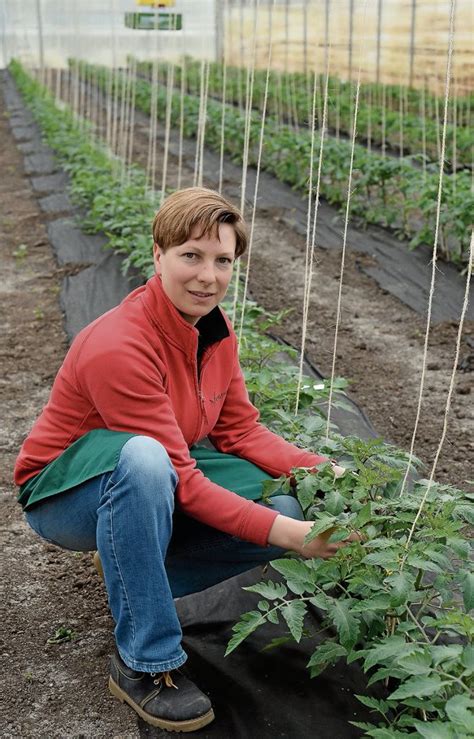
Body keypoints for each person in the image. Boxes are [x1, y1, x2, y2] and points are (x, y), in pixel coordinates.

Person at [14, 187, 352, 733]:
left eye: (222, 261)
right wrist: (293, 537)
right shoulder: (119, 345)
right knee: (147, 459)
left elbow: (240, 429)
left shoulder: (213, 331)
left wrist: (327, 473)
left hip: (155, 476)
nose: (208, 276)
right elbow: (181, 480)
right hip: (66, 492)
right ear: (158, 256)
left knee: (284, 496)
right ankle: (144, 663)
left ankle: (133, 563)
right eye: (190, 256)